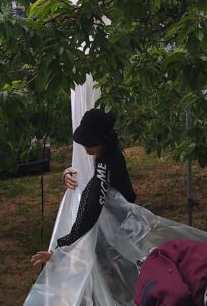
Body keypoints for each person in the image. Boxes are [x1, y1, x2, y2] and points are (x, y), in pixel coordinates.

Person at [31, 108, 136, 266]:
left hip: (120, 227)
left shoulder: (106, 164)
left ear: (103, 140)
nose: (87, 149)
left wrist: (65, 244)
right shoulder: (109, 153)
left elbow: (91, 205)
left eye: (91, 144)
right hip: (118, 223)